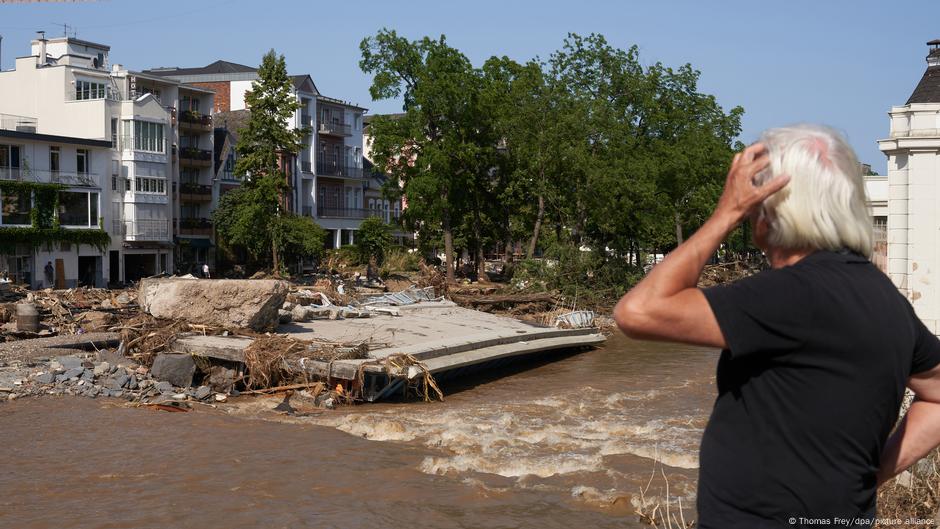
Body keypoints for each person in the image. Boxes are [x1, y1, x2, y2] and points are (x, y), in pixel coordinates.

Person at [614, 124, 940, 528]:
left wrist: (725, 213)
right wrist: (873, 474)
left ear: (769, 208)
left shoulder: (790, 295)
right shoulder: (886, 300)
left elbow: (639, 311)